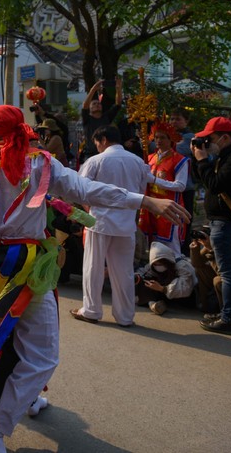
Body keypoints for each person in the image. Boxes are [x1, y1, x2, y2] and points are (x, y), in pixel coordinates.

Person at [0, 105, 188, 453]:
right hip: (31, 265)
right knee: (41, 354)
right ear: (21, 126)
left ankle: (27, 401)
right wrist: (146, 201)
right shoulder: (41, 162)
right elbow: (88, 190)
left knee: (9, 339)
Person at [73, 125, 156, 327]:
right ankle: (125, 316)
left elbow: (80, 189)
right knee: (124, 271)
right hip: (126, 223)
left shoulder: (95, 161)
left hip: (100, 221)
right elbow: (139, 194)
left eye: (97, 143)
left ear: (103, 139)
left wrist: (88, 211)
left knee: (93, 267)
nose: (97, 147)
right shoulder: (138, 162)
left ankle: (91, 310)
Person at [193, 116, 231, 335]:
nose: (207, 143)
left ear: (224, 137)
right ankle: (229, 313)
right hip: (224, 221)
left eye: (210, 139)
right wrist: (200, 161)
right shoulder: (230, 155)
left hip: (226, 222)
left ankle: (230, 318)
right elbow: (207, 180)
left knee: (229, 273)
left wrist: (202, 161)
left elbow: (216, 185)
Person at [138, 120, 189, 254]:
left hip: (169, 208)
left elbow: (180, 186)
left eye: (162, 137)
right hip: (151, 208)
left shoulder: (180, 160)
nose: (158, 140)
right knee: (152, 248)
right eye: (156, 137)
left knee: (172, 249)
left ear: (170, 139)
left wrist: (154, 180)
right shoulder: (149, 158)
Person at [134, 241, 196, 315]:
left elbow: (186, 288)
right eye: (155, 264)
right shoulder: (152, 267)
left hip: (185, 298)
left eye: (160, 264)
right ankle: (152, 304)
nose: (158, 266)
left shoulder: (182, 266)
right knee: (145, 280)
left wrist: (162, 289)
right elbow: (143, 272)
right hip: (165, 293)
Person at [169, 108, 196, 249]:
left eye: (178, 119)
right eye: (171, 119)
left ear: (186, 121)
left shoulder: (190, 138)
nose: (174, 122)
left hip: (186, 186)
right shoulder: (167, 136)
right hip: (167, 184)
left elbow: (178, 151)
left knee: (184, 219)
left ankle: (184, 249)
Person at [80, 77, 122, 163]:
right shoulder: (87, 119)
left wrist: (118, 88)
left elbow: (118, 104)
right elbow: (85, 105)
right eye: (94, 104)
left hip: (106, 154)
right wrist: (94, 88)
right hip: (90, 155)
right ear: (90, 108)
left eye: (99, 103)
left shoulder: (106, 117)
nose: (97, 105)